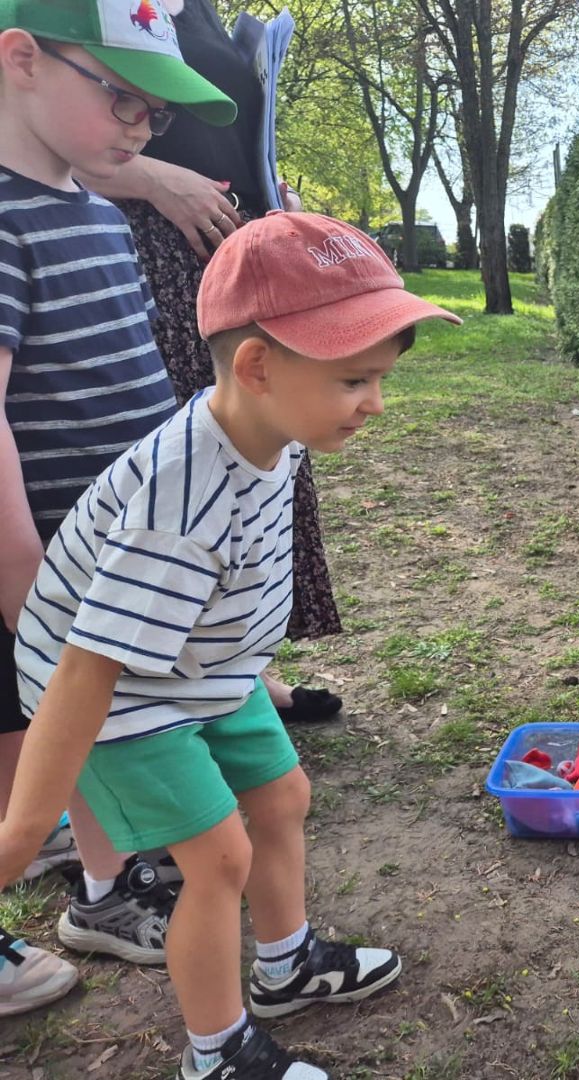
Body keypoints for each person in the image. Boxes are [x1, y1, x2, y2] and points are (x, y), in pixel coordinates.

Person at [1, 209, 460, 1077]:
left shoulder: (269, 431)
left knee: (282, 796)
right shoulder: (182, 503)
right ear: (256, 366)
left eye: (379, 378)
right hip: (121, 693)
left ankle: (286, 967)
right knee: (218, 860)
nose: (375, 403)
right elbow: (88, 665)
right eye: (355, 380)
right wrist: (25, 828)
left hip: (205, 665)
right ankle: (217, 1054)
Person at [0, 0, 239, 1014]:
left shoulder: (96, 210)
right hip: (36, 560)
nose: (142, 128)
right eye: (122, 99)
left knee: (82, 729)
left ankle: (104, 889)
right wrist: (25, 577)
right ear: (21, 58)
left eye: (156, 112)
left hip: (106, 554)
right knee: (24, 746)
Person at [78, 0, 344, 724]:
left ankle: (243, 672)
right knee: (184, 468)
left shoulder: (197, 7)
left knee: (255, 461)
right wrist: (153, 180)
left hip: (231, 252)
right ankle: (164, 680)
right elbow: (38, 130)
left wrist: (267, 189)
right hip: (148, 251)